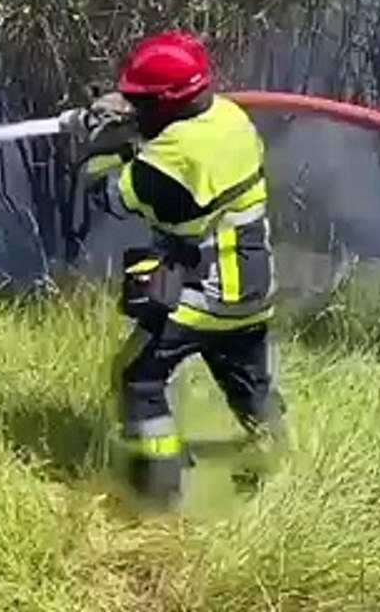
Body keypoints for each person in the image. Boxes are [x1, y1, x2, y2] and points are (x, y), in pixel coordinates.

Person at [58, 30, 288, 510]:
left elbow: (113, 194)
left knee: (137, 376)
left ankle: (156, 494)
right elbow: (165, 142)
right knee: (246, 380)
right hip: (253, 286)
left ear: (167, 102)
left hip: (207, 292)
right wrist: (131, 121)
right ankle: (277, 464)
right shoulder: (227, 117)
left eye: (143, 101)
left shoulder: (178, 160)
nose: (135, 106)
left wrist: (92, 146)